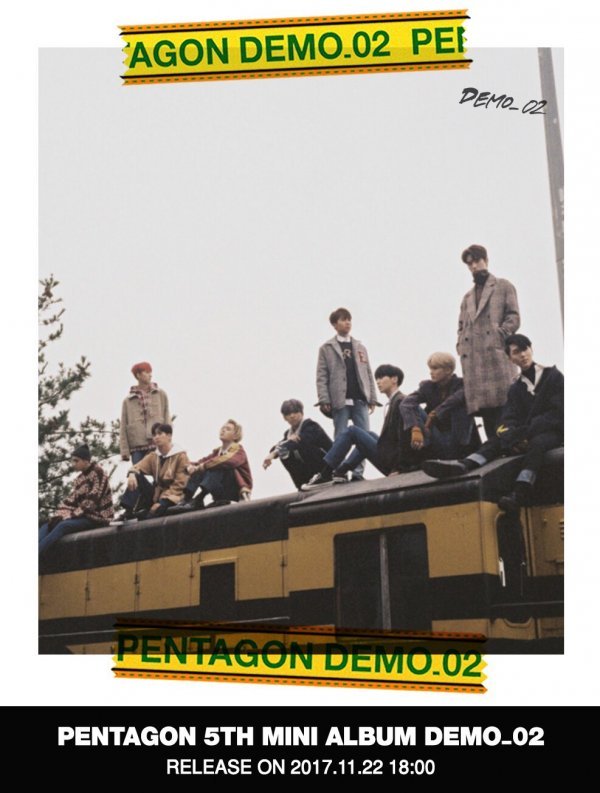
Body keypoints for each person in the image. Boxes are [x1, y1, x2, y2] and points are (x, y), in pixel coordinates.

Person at [423, 334, 563, 512]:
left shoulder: (553, 377)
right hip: (524, 433)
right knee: (495, 441)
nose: (522, 355)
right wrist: (509, 434)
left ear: (531, 349)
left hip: (552, 431)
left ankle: (520, 491)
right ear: (510, 358)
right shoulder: (515, 388)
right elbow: (509, 416)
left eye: (525, 349)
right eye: (516, 352)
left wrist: (524, 433)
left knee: (537, 444)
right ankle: (465, 464)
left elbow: (558, 412)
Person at [302, 364, 423, 490]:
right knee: (368, 434)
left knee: (352, 431)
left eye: (381, 377)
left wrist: (400, 468)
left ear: (394, 379)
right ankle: (340, 472)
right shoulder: (395, 401)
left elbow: (405, 436)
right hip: (394, 458)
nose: (378, 382)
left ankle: (326, 474)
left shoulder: (401, 401)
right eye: (377, 378)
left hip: (398, 465)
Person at [457, 244, 520, 439]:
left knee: (505, 408)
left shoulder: (503, 286)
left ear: (486, 260)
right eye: (470, 264)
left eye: (477, 261)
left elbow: (514, 317)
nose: (474, 266)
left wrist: (500, 335)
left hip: (496, 357)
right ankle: (494, 450)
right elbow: (461, 326)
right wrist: (461, 346)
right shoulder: (467, 297)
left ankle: (509, 447)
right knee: (486, 414)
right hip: (475, 364)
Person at [315, 307, 379, 481]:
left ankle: (358, 473)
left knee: (364, 436)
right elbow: (321, 375)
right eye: (343, 320)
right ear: (334, 324)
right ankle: (340, 472)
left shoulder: (360, 346)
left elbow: (368, 372)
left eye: (349, 319)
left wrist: (372, 397)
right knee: (340, 437)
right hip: (339, 399)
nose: (347, 323)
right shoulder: (326, 348)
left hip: (360, 398)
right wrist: (324, 398)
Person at [400, 352, 480, 460]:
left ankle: (457, 453)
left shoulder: (463, 384)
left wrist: (435, 413)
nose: (431, 372)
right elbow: (406, 403)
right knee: (410, 407)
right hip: (436, 437)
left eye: (435, 368)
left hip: (460, 440)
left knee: (459, 407)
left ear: (448, 370)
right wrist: (415, 427)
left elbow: (455, 400)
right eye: (430, 368)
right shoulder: (427, 387)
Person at [39, 444, 114, 556]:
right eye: (72, 461)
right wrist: (58, 516)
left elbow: (92, 501)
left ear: (86, 461)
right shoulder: (79, 479)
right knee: (48, 525)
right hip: (83, 516)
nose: (73, 464)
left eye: (76, 461)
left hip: (98, 517)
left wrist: (71, 515)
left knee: (63, 526)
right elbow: (71, 501)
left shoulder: (98, 473)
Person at [171, 420, 253, 512]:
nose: (223, 430)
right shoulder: (217, 452)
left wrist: (203, 466)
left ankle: (199, 498)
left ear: (235, 435)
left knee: (216, 466)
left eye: (228, 429)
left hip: (234, 491)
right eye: (223, 428)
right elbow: (202, 462)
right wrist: (187, 465)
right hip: (220, 490)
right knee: (203, 467)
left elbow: (226, 461)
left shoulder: (239, 451)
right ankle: (186, 498)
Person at [120, 423, 189, 520]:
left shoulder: (181, 456)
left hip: (172, 498)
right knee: (137, 476)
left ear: (169, 436)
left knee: (150, 516)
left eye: (160, 433)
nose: (156, 437)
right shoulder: (154, 456)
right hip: (156, 496)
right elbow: (137, 467)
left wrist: (162, 502)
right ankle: (128, 511)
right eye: (154, 435)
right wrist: (132, 474)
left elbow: (179, 485)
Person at [263, 399, 333, 489]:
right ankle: (302, 484)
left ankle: (324, 477)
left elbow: (299, 442)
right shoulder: (288, 433)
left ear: (302, 413)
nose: (292, 416)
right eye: (288, 414)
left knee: (298, 446)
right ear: (284, 417)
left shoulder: (311, 425)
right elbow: (278, 446)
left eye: (295, 412)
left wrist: (274, 453)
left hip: (329, 467)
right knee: (284, 453)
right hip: (309, 473)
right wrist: (275, 452)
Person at [119, 362, 170, 464]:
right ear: (138, 375)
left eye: (150, 372)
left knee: (160, 472)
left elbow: (166, 416)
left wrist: (168, 440)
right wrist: (124, 451)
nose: (150, 375)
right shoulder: (128, 400)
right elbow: (123, 426)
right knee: (137, 472)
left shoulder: (160, 394)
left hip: (157, 443)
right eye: (146, 372)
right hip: (137, 446)